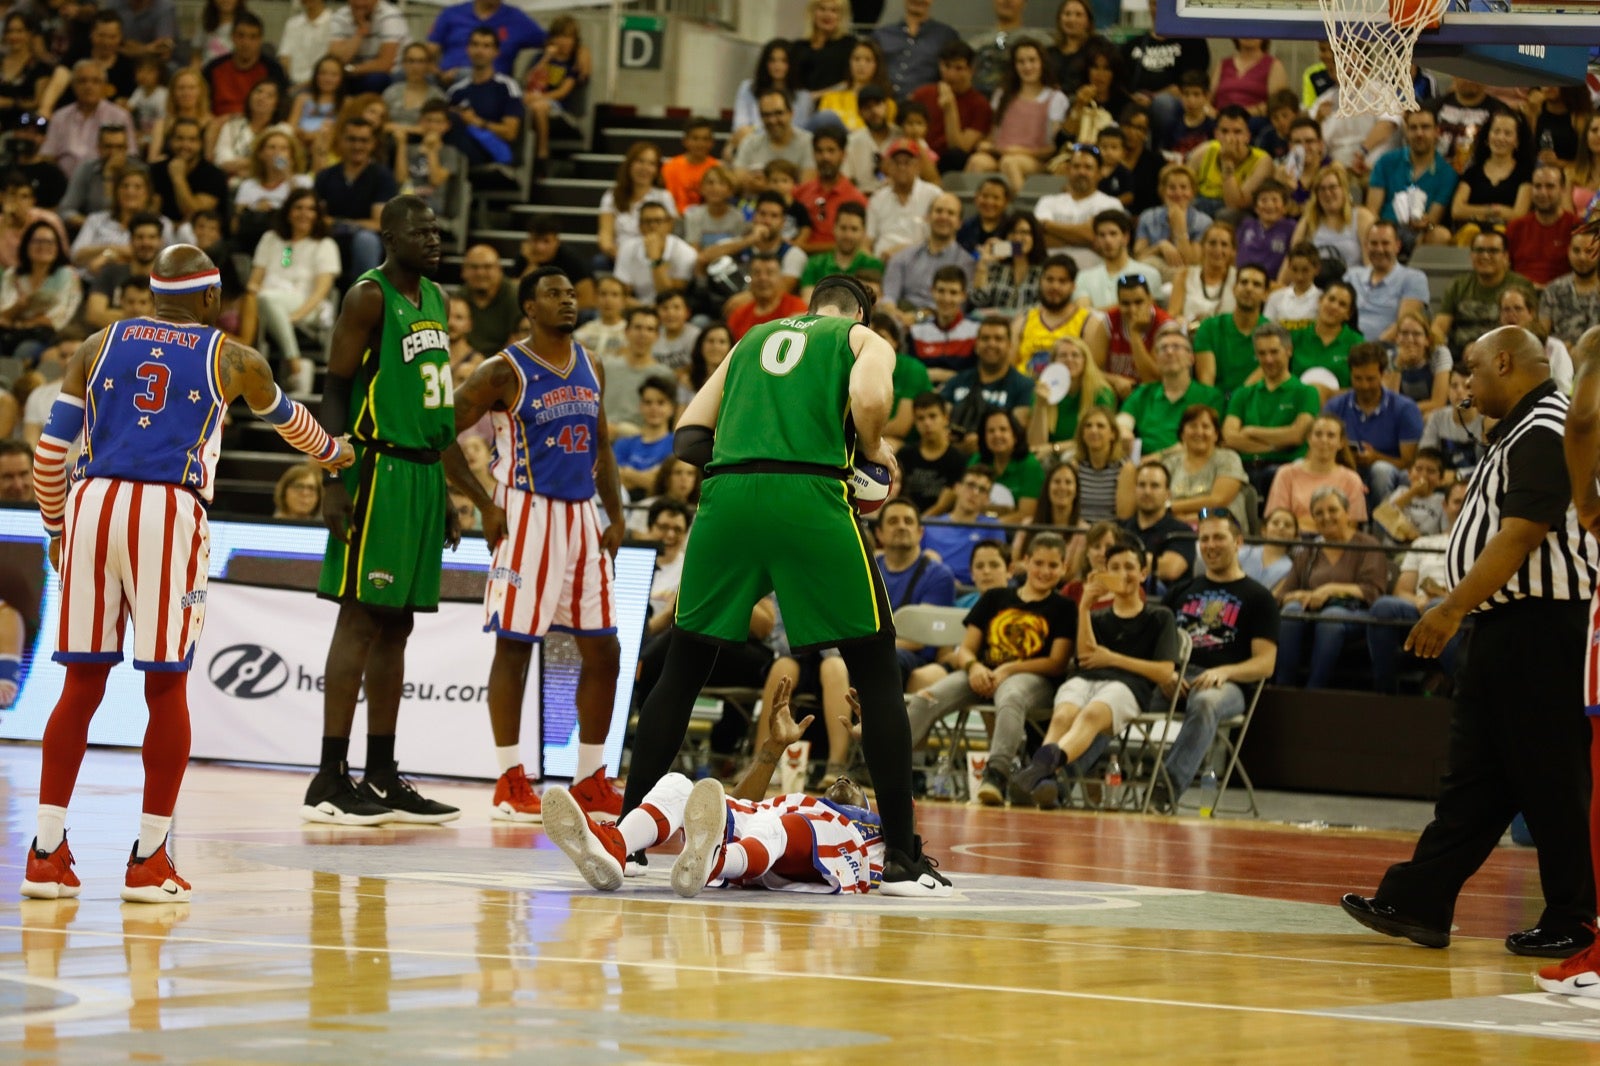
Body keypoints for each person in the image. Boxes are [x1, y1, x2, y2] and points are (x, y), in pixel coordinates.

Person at [19, 244, 354, 902]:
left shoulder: (95, 345)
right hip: (168, 511)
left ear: (151, 293)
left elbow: (50, 454)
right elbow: (292, 423)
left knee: (80, 683)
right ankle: (149, 860)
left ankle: (45, 852)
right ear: (211, 298)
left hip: (91, 504)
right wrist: (335, 453)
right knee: (166, 685)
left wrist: (57, 529)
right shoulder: (232, 357)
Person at [619, 274, 952, 895]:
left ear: (811, 306)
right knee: (876, 667)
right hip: (809, 495)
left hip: (727, 497)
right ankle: (904, 860)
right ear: (859, 314)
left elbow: (687, 438)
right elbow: (870, 399)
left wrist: (751, 456)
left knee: (684, 666)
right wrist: (871, 452)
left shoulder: (751, 339)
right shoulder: (860, 338)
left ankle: (628, 837)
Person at [1343, 324, 1598, 961]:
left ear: (1505, 362)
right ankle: (1420, 898)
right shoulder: (1519, 427)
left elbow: (1522, 534)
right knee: (1478, 775)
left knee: (1551, 774)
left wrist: (1452, 607)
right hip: (1509, 626)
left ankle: (1575, 918)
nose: (1465, 384)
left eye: (1473, 370)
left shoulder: (1546, 428)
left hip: (1544, 625)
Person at [301, 195, 464, 827]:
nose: (434, 239)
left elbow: (430, 400)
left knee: (398, 626)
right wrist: (331, 475)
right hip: (376, 468)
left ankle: (382, 773)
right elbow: (336, 386)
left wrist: (445, 490)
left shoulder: (437, 298)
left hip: (422, 472)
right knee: (360, 618)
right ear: (389, 238)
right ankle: (328, 777)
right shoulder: (368, 297)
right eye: (420, 232)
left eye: (436, 230)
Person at [443, 265, 625, 824]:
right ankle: (509, 780)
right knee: (515, 646)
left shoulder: (591, 362)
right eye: (553, 294)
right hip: (526, 513)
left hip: (583, 516)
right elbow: (441, 429)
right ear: (529, 307)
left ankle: (590, 779)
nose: (567, 300)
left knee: (605, 649)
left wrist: (617, 513)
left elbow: (601, 443)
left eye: (570, 293)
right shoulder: (503, 369)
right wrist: (483, 502)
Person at [545, 677, 889, 896]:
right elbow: (728, 809)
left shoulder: (869, 831)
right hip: (760, 843)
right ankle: (616, 847)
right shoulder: (796, 800)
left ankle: (713, 861)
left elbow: (901, 801)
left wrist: (877, 743)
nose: (845, 780)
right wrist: (771, 749)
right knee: (678, 786)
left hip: (821, 850)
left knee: (778, 826)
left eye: (856, 784)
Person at [1009, 534, 1181, 808]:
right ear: (1104, 574)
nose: (1122, 574)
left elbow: (1164, 672)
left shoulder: (1160, 616)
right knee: (1063, 716)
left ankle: (1038, 770)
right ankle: (1044, 780)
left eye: (1129, 567)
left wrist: (1112, 658)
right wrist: (1085, 607)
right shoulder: (1097, 617)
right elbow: (1086, 658)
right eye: (1115, 568)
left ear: (1143, 573)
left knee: (1090, 714)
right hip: (1085, 679)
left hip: (1129, 687)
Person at [910, 532, 1075, 804]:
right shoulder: (995, 597)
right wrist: (974, 667)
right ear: (1025, 562)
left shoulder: (1064, 607)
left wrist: (1008, 670)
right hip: (983, 674)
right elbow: (966, 649)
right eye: (1038, 563)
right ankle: (886, 763)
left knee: (1011, 695)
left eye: (1053, 565)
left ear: (1064, 568)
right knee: (927, 696)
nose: (1045, 571)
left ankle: (996, 775)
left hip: (1033, 680)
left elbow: (1057, 663)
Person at [1153, 509, 1278, 810]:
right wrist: (1165, 673)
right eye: (1205, 539)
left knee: (1206, 702)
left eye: (1219, 537)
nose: (1210, 545)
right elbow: (1156, 645)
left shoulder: (1259, 597)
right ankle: (1062, 777)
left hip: (1226, 685)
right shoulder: (1180, 592)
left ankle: (1164, 790)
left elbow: (1265, 664)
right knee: (1121, 692)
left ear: (1238, 542)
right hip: (1174, 678)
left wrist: (1225, 671)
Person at [1273, 485, 1387, 688]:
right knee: (1291, 612)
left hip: (1356, 612)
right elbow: (1282, 595)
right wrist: (1300, 596)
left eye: (1332, 510)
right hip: (1312, 612)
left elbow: (1373, 591)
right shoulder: (1308, 551)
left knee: (1331, 617)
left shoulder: (1368, 544)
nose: (1326, 517)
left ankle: (1314, 689)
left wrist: (1329, 590)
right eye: (1319, 513)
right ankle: (1283, 686)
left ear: (1347, 513)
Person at [1367, 478, 1469, 693]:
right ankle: (1385, 692)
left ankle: (1465, 690)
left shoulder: (1484, 545)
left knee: (1437, 607)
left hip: (1460, 610)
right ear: (1445, 505)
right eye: (1457, 501)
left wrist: (1445, 603)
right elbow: (1402, 590)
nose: (1462, 507)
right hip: (1421, 607)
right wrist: (1418, 600)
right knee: (1383, 606)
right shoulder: (1423, 543)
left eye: (1468, 500)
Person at [247, 189, 339, 395]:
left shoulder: (325, 245)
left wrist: (295, 316)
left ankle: (293, 364)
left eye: (310, 209)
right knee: (264, 298)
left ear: (317, 215)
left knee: (267, 299)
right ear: (288, 212)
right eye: (298, 208)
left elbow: (321, 292)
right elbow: (254, 281)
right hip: (267, 302)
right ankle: (296, 367)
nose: (304, 214)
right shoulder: (270, 239)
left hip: (307, 305)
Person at [1223, 322, 1321, 496]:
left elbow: (1296, 435)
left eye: (1274, 352)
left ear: (1289, 351)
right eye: (1262, 353)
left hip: (1284, 469)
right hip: (1243, 469)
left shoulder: (1307, 392)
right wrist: (1276, 446)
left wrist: (1251, 431)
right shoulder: (1242, 393)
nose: (1268, 359)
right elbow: (1230, 437)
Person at [964, 37, 1067, 194]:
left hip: (1035, 159)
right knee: (977, 161)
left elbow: (1052, 148)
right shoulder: (1002, 95)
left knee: (1010, 163)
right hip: (1001, 154)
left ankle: (1020, 206)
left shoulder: (1055, 98)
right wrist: (987, 146)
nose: (1027, 67)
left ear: (1042, 63)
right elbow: (993, 135)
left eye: (1032, 60)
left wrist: (1018, 151)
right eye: (1021, 62)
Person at [1324, 342, 1424, 502]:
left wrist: (1376, 457)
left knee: (1381, 470)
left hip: (1391, 476)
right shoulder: (1335, 406)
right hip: (1345, 471)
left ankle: (1383, 517)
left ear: (1383, 374)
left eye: (1370, 379)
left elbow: (1409, 463)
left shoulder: (1405, 409)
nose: (1364, 385)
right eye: (1358, 378)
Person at [314, 117, 396, 287]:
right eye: (351, 139)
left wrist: (338, 223)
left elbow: (378, 224)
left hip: (367, 242)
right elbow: (316, 218)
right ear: (341, 141)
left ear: (373, 144)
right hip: (330, 238)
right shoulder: (325, 176)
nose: (357, 146)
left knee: (366, 240)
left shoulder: (383, 177)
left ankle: (365, 298)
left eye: (364, 140)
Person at [1124, 325, 1224, 455]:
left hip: (1191, 460)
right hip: (1144, 463)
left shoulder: (1210, 397)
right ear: (1156, 360)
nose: (1169, 352)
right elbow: (1123, 421)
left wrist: (1159, 457)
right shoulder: (1143, 394)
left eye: (1176, 347)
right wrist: (1123, 431)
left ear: (1191, 358)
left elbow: (1209, 440)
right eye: (1163, 348)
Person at [1366, 109, 1457, 252]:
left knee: (1441, 235)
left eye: (1425, 127)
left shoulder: (1447, 173)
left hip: (1418, 234)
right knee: (1364, 219)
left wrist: (1426, 223)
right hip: (1385, 229)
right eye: (1413, 128)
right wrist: (1382, 232)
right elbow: (1372, 210)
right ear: (1406, 132)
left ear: (1436, 132)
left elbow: (1433, 218)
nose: (1419, 133)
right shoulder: (1386, 161)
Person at [1266, 414, 1369, 533]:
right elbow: (1278, 522)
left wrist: (1303, 522)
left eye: (1331, 435)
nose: (1324, 440)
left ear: (1340, 442)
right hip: (1295, 539)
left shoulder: (1352, 479)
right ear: (1309, 439)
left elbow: (1350, 527)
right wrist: (1327, 525)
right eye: (1318, 434)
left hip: (1335, 541)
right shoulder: (1286, 474)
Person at [0, 221, 80, 365]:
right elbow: (3, 314)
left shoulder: (67, 275)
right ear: (26, 245)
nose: (43, 246)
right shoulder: (12, 275)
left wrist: (21, 322)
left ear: (58, 247)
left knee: (25, 350)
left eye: (50, 242)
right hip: (9, 333)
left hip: (48, 336)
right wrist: (19, 306)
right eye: (37, 241)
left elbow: (58, 317)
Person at [909, 39, 990, 173]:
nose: (951, 74)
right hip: (919, 156)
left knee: (955, 156)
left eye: (959, 68)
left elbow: (960, 148)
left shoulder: (980, 105)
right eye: (947, 66)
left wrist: (950, 108)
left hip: (950, 164)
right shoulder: (922, 94)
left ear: (971, 70)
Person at [1162, 403, 1248, 528]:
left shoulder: (1229, 459)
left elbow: (1218, 500)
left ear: (1216, 434)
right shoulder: (1170, 463)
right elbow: (1158, 498)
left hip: (1220, 527)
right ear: (1182, 433)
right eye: (1193, 426)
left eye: (1206, 426)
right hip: (1174, 528)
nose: (1199, 432)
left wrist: (1172, 508)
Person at [1192, 263, 1270, 396]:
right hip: (1215, 402)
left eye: (1256, 284)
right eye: (1244, 282)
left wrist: (1236, 403)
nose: (1249, 288)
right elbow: (1207, 384)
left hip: (1254, 403)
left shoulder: (1272, 334)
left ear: (1266, 294)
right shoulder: (1209, 327)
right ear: (1234, 289)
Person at [1345, 220, 1428, 343]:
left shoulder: (1414, 278)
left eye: (1385, 243)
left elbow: (1403, 325)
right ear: (1366, 246)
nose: (1379, 249)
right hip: (1345, 346)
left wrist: (1369, 349)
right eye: (1374, 243)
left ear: (1397, 246)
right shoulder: (1351, 275)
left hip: (1384, 349)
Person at [427, 0, 544, 85]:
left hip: (493, 85)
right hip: (446, 81)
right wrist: (439, 73)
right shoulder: (452, 14)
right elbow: (429, 51)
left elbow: (549, 42)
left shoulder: (516, 19)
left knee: (465, 74)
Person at [923, 464, 1007, 582]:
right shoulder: (929, 525)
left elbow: (997, 570)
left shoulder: (992, 527)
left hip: (973, 589)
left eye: (982, 490)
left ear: (987, 499)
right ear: (957, 488)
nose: (975, 493)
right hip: (932, 583)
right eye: (970, 485)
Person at [1121, 460, 1194, 592]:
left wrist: (1119, 561)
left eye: (1154, 486)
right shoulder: (1120, 528)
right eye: (1142, 485)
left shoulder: (1182, 531)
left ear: (1168, 494)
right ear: (1135, 490)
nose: (1147, 491)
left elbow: (1171, 569)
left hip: (1164, 601)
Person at [203, 12, 287, 118]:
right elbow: (201, 106)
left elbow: (281, 109)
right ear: (232, 37)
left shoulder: (273, 70)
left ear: (260, 40)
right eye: (241, 36)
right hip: (219, 122)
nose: (246, 42)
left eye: (253, 37)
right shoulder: (213, 68)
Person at [1506, 163, 1577, 286]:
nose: (1543, 193)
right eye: (1537, 186)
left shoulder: (1577, 227)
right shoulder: (1515, 227)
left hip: (1562, 293)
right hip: (1519, 292)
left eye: (1550, 186)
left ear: (1563, 189)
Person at [326, 0, 409, 94]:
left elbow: (385, 64)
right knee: (327, 79)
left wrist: (350, 70)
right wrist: (360, 33)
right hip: (355, 72)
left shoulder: (390, 16)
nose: (360, 3)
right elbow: (337, 60)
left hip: (390, 73)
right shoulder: (340, 17)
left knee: (375, 80)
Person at [1543, 231, 1600, 349]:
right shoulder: (1553, 290)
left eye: (1589, 251)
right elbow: (1542, 336)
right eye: (1576, 251)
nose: (1582, 257)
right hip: (1561, 355)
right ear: (1569, 251)